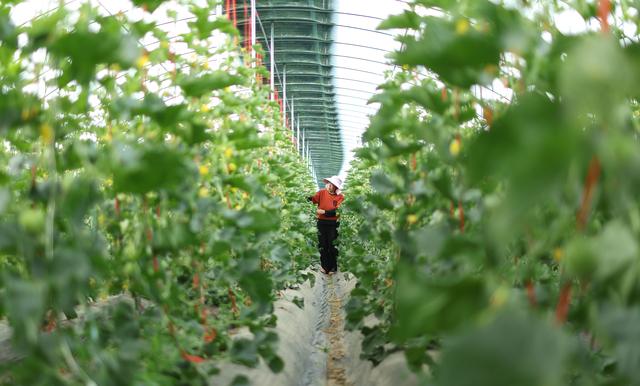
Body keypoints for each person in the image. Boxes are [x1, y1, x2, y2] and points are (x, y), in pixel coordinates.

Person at [307, 176, 345, 275]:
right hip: (321, 223)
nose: (329, 186)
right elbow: (313, 199)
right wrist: (305, 196)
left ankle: (333, 267)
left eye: (331, 184)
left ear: (336, 187)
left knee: (332, 245)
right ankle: (325, 267)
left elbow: (337, 211)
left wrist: (324, 211)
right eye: (328, 183)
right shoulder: (321, 193)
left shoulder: (340, 197)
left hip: (333, 224)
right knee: (322, 245)